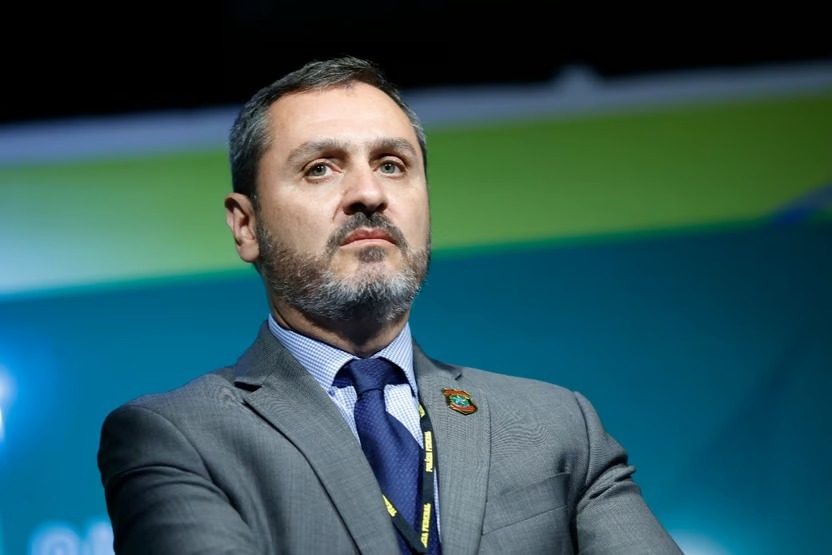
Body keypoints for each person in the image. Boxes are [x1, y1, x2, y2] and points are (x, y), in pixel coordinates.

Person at [97, 55, 683, 555]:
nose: (369, 194)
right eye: (320, 168)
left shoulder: (558, 427)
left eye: (391, 165)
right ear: (246, 225)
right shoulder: (176, 437)